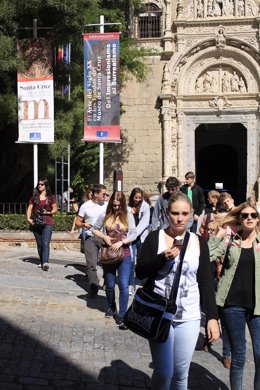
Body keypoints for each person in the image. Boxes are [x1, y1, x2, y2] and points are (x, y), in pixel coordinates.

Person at [136, 192, 219, 390]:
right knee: (164, 373)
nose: (179, 218)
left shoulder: (199, 242)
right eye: (175, 213)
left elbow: (206, 281)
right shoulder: (154, 238)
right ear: (166, 213)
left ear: (191, 214)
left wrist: (213, 317)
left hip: (188, 315)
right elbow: (140, 272)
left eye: (184, 213)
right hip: (159, 313)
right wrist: (161, 258)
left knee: (181, 374)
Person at [208, 201, 260, 390]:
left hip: (257, 307)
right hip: (232, 305)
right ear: (239, 218)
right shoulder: (231, 241)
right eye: (245, 215)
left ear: (257, 219)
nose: (249, 218)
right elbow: (208, 256)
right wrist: (218, 235)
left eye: (253, 215)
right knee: (239, 356)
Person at [92, 191, 137, 329]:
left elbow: (134, 233)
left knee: (123, 285)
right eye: (114, 205)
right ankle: (112, 307)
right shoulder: (105, 214)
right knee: (110, 285)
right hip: (109, 253)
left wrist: (123, 242)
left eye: (118, 205)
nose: (116, 208)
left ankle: (122, 316)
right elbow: (94, 229)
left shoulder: (128, 215)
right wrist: (104, 237)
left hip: (125, 254)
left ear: (122, 204)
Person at [75, 184, 108, 296]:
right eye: (103, 194)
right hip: (91, 238)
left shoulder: (108, 206)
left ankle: (107, 281)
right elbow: (77, 223)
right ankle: (94, 286)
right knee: (91, 264)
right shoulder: (85, 206)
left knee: (107, 263)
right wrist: (84, 224)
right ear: (95, 194)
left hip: (105, 238)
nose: (106, 196)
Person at [26, 178, 57, 271]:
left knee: (45, 243)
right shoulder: (34, 196)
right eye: (39, 184)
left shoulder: (50, 197)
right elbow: (30, 208)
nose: (40, 185)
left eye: (42, 184)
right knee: (39, 244)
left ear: (45, 186)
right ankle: (42, 261)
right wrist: (28, 219)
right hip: (36, 223)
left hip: (47, 223)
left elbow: (55, 210)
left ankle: (45, 262)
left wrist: (47, 212)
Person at [127, 187, 150, 294]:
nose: (137, 199)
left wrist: (135, 234)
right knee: (131, 260)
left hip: (140, 236)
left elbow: (145, 222)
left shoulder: (145, 206)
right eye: (136, 197)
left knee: (141, 261)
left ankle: (137, 282)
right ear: (132, 197)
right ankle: (130, 283)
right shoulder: (127, 206)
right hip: (130, 236)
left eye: (140, 198)